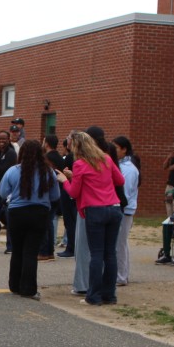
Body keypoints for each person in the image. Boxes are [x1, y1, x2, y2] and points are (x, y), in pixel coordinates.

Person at [63, 130, 125, 305]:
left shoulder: (80, 164)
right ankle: (109, 295)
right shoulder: (106, 159)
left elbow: (74, 192)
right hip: (113, 207)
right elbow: (120, 181)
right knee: (110, 254)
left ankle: (94, 295)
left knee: (96, 254)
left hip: (95, 210)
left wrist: (65, 181)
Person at [0, 140, 59, 299]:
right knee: (31, 251)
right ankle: (28, 289)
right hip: (39, 212)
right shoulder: (48, 171)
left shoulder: (13, 171)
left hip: (17, 212)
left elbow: (3, 192)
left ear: (22, 153)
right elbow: (55, 195)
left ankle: (15, 285)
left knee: (17, 249)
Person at [112, 135, 139, 286]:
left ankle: (121, 276)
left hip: (124, 210)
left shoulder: (129, 169)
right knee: (120, 243)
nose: (113, 151)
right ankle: (121, 274)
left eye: (116, 148)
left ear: (124, 149)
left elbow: (125, 193)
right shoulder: (119, 166)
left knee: (119, 244)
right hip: (120, 208)